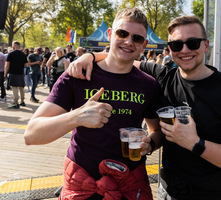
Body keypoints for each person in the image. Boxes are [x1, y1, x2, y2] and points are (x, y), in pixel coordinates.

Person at [68, 15, 221, 199]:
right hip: (170, 192)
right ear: (170, 49)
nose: (185, 50)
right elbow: (122, 57)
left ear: (206, 46)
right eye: (177, 44)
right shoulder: (162, 78)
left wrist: (196, 144)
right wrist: (90, 57)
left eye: (193, 43)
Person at [24, 7, 163, 200]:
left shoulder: (149, 85)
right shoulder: (78, 76)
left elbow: (156, 131)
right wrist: (77, 117)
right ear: (109, 34)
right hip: (83, 184)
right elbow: (31, 134)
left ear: (144, 45)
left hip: (129, 185)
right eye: (122, 33)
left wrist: (150, 144)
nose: (128, 41)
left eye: (136, 38)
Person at [4, 41, 28, 108]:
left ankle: (16, 102)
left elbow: (7, 64)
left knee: (14, 87)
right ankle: (22, 101)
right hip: (21, 72)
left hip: (13, 72)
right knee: (21, 87)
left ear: (14, 45)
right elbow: (26, 64)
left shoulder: (11, 54)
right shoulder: (23, 54)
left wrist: (5, 73)